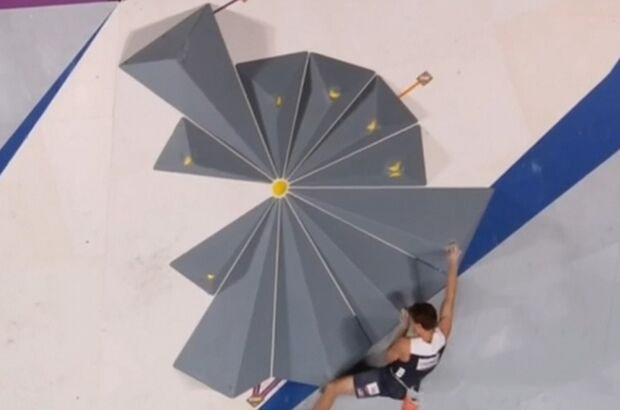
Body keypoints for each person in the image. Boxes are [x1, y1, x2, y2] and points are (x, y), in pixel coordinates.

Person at [312, 244, 462, 410]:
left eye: (412, 322)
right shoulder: (443, 332)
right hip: (409, 382)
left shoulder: (406, 345)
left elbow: (387, 357)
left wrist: (403, 327)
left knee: (333, 388)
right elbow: (450, 297)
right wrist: (453, 262)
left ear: (419, 325)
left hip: (387, 383)